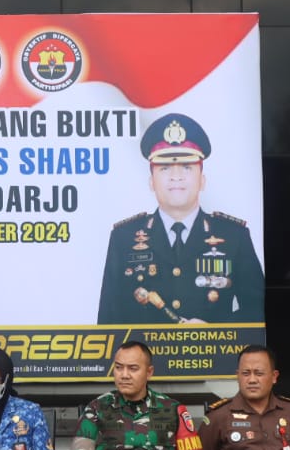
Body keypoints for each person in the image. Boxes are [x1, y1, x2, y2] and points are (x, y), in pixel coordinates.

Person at [97, 113, 264, 325]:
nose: (176, 177)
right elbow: (108, 320)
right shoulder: (124, 238)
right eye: (165, 168)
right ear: (151, 181)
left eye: (187, 167)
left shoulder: (233, 236)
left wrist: (215, 330)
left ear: (202, 180)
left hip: (212, 347)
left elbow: (258, 310)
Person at [70, 341, 202, 450]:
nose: (124, 375)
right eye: (118, 367)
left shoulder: (174, 410)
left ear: (149, 372)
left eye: (133, 369)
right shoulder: (96, 409)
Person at [197, 345, 290, 450]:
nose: (252, 380)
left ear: (274, 376)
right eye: (246, 373)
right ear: (238, 376)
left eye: (259, 373)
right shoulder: (219, 415)